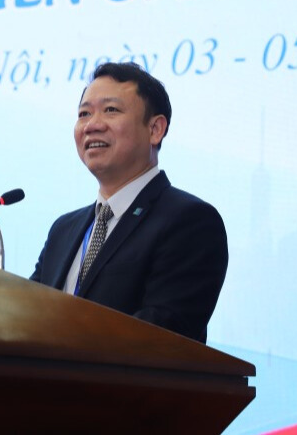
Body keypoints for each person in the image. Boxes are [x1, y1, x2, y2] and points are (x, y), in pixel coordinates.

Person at [30, 62, 228, 343]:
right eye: (84, 113)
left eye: (111, 110)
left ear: (155, 129)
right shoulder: (63, 229)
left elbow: (162, 333)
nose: (92, 125)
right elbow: (25, 314)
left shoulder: (190, 221)